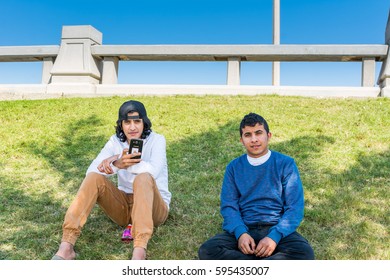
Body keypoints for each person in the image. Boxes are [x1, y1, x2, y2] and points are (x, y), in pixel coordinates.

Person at [52, 100, 171, 260]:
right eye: (127, 122)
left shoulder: (157, 140)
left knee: (143, 178)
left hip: (153, 209)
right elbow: (92, 172)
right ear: (121, 124)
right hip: (124, 208)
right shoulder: (115, 142)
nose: (133, 127)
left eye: (137, 121)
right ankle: (67, 246)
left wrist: (123, 162)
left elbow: (154, 170)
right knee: (94, 178)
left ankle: (139, 251)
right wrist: (116, 164)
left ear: (144, 122)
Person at [198, 113, 314, 260]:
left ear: (268, 135)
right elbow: (229, 206)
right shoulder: (233, 167)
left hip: (276, 227)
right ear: (242, 140)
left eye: (258, 133)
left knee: (304, 254)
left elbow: (295, 207)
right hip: (245, 227)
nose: (254, 139)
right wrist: (241, 234)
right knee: (208, 250)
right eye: (248, 135)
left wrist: (274, 237)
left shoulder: (285, 164)